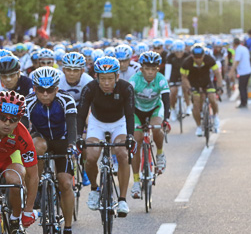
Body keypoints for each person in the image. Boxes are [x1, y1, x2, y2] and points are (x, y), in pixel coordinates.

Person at [24, 68, 78, 234]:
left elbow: (72, 128)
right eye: (40, 90)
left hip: (62, 140)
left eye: (49, 90)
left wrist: (72, 146)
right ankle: (37, 185)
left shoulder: (66, 100)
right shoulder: (28, 102)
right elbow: (23, 130)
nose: (45, 94)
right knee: (35, 147)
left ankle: (68, 232)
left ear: (56, 88)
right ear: (34, 89)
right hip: (41, 138)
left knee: (65, 183)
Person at [78, 57, 136, 217]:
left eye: (110, 78)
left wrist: (130, 136)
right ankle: (95, 189)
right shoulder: (89, 88)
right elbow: (81, 114)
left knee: (123, 153)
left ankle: (123, 199)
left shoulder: (126, 88)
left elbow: (131, 114)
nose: (106, 83)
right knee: (90, 156)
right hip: (97, 123)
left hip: (119, 122)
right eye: (102, 79)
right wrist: (77, 136)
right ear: (96, 77)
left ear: (117, 77)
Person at [0, 91, 39, 234]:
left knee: (15, 180)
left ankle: (14, 219)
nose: (7, 123)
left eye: (13, 120)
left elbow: (33, 176)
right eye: (3, 117)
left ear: (20, 119)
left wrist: (28, 210)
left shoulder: (23, 135)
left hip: (9, 159)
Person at [128, 52, 170, 199]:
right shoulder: (134, 80)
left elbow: (166, 100)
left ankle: (159, 154)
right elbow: (128, 102)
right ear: (141, 69)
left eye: (153, 69)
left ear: (157, 69)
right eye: (147, 68)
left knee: (157, 129)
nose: (150, 72)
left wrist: (166, 119)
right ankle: (136, 182)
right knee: (136, 141)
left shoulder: (161, 79)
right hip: (137, 111)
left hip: (154, 109)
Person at [180, 43, 223, 135]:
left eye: (200, 57)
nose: (198, 59)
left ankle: (215, 117)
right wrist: (189, 88)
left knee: (212, 99)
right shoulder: (187, 63)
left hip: (206, 82)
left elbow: (217, 73)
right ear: (192, 56)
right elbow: (184, 78)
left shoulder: (209, 59)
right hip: (193, 84)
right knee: (196, 102)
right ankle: (199, 126)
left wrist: (220, 86)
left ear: (204, 55)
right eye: (196, 57)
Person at [164, 40, 192, 118]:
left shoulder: (187, 56)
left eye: (181, 52)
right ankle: (172, 109)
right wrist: (167, 79)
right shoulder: (170, 56)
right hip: (174, 75)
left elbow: (191, 68)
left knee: (185, 88)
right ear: (174, 51)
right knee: (172, 92)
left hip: (184, 75)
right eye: (177, 52)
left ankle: (188, 105)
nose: (179, 54)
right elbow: (168, 69)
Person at [231, 37, 251, 109]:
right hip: (248, 70)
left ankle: (243, 103)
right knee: (244, 87)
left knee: (241, 87)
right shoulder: (244, 48)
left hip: (243, 71)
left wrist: (232, 71)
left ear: (234, 44)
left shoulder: (238, 50)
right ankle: (244, 101)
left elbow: (237, 61)